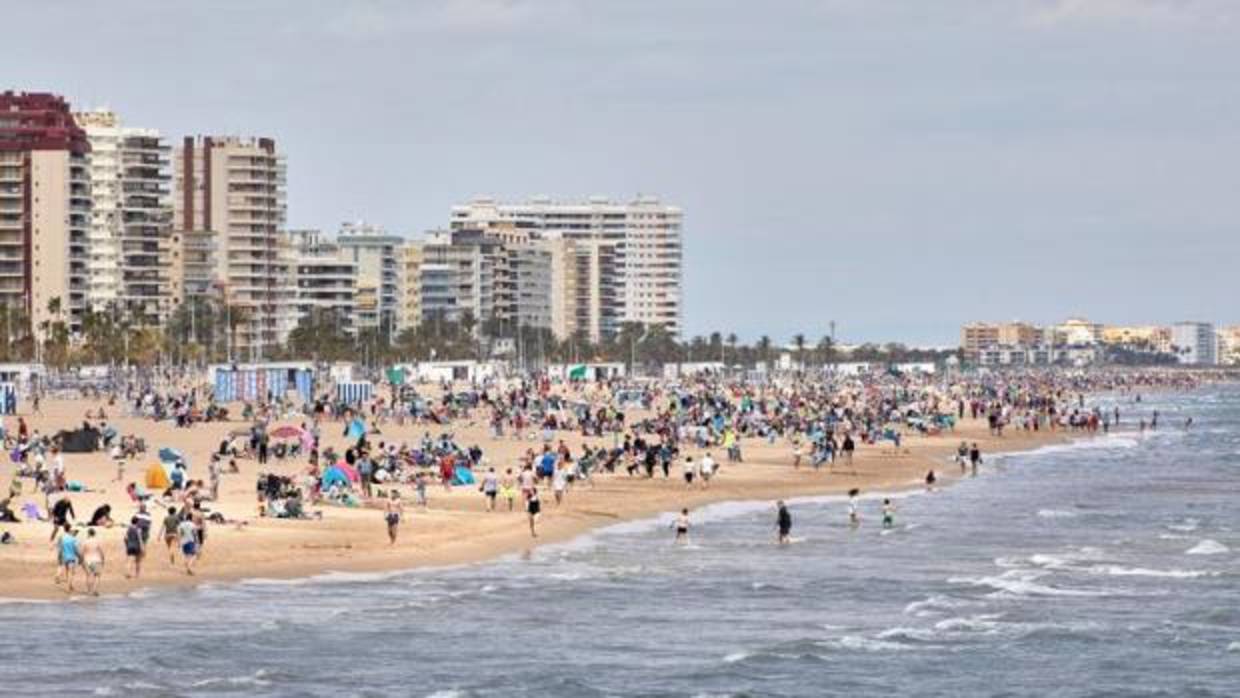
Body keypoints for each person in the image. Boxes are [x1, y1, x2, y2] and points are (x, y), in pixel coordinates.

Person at [54, 524, 79, 592]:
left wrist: (60, 555)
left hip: (65, 556)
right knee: (71, 573)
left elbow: (60, 547)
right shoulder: (73, 538)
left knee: (67, 572)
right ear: (70, 528)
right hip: (71, 557)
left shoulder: (62, 537)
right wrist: (79, 556)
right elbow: (75, 549)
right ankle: (69, 587)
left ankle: (70, 586)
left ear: (64, 528)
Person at [80, 528, 105, 596]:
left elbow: (82, 552)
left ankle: (89, 591)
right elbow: (101, 552)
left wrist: (81, 560)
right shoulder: (96, 541)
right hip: (96, 559)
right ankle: (94, 590)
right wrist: (103, 560)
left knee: (88, 576)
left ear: (88, 533)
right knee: (97, 575)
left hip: (87, 560)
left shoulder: (85, 542)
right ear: (94, 534)